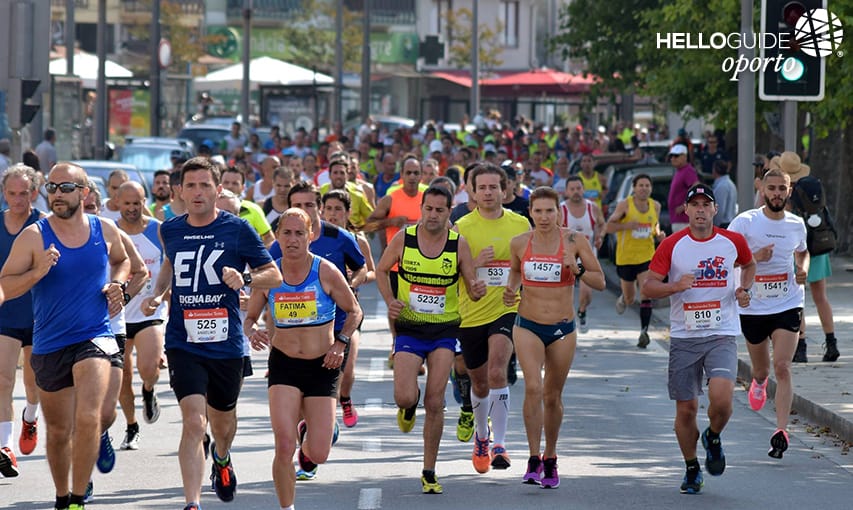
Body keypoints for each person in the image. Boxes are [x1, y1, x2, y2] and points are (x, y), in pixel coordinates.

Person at [140, 157, 282, 510]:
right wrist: (158, 294)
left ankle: (221, 456)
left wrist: (245, 278)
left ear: (219, 190)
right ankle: (192, 503)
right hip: (182, 340)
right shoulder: (169, 229)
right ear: (181, 191)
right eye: (191, 185)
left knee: (222, 424)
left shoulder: (237, 229)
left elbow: (273, 274)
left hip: (226, 343)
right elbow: (170, 264)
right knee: (193, 421)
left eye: (206, 185)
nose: (198, 192)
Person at [0, 163, 131, 510]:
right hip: (49, 343)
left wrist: (117, 283)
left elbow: (123, 261)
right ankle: (62, 497)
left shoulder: (104, 230)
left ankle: (77, 497)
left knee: (88, 416)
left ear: (84, 193)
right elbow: (5, 285)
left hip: (95, 335)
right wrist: (37, 271)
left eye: (66, 187)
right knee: (58, 433)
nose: (57, 194)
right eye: (53, 188)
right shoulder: (34, 236)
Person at [243, 208, 361, 510]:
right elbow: (250, 316)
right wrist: (252, 330)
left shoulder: (325, 271)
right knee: (283, 446)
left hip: (324, 365)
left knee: (319, 454)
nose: (293, 239)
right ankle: (287, 507)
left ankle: (307, 431)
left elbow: (354, 311)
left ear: (310, 236)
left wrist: (340, 343)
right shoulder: (269, 275)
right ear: (278, 236)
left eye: (299, 233)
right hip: (284, 364)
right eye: (287, 233)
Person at [642, 183, 755, 495]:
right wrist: (675, 287)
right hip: (684, 336)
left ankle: (714, 436)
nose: (701, 210)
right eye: (696, 205)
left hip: (722, 333)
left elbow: (749, 264)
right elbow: (648, 287)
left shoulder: (732, 241)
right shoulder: (673, 245)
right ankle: (692, 467)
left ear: (715, 210)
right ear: (686, 210)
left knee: (722, 399)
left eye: (707, 204)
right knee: (686, 410)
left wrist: (744, 289)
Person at [376, 185, 485, 493]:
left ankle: (429, 471)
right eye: (428, 209)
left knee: (435, 401)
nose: (433, 215)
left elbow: (472, 283)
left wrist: (476, 290)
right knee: (405, 396)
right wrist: (390, 301)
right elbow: (382, 270)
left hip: (445, 331)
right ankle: (407, 408)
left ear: (449, 212)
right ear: (421, 209)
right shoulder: (405, 239)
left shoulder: (457, 244)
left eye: (440, 210)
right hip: (410, 328)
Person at [503, 186, 605, 489]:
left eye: (550, 211)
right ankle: (533, 458)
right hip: (528, 324)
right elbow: (514, 273)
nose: (544, 217)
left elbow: (599, 280)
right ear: (530, 213)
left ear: (558, 212)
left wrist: (576, 268)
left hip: (562, 329)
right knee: (532, 387)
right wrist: (511, 291)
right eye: (538, 211)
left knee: (552, 395)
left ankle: (551, 456)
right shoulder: (520, 242)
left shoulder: (574, 240)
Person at [453, 162, 530, 473]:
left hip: (507, 308)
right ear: (472, 191)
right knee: (480, 382)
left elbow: (532, 264)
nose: (487, 192)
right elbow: (450, 270)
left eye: (493, 187)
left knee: (498, 372)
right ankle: (481, 437)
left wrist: (518, 287)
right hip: (470, 313)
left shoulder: (521, 224)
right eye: (481, 187)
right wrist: (472, 264)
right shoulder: (461, 228)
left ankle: (499, 444)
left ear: (505, 189)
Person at [727, 168, 808, 459]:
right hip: (754, 305)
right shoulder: (746, 222)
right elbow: (726, 256)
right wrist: (753, 258)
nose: (776, 193)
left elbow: (803, 251)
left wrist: (803, 270)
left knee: (783, 366)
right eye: (771, 188)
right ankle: (759, 383)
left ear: (789, 191)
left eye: (781, 189)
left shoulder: (797, 224)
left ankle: (781, 431)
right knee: (761, 369)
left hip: (787, 302)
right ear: (763, 189)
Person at [115, 181, 169, 449]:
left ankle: (148, 390)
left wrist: (162, 295)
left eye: (137, 203)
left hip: (150, 310)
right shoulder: (111, 231)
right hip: (119, 314)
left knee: (149, 368)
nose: (132, 208)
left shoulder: (158, 231)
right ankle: (131, 425)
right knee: (123, 374)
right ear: (117, 203)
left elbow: (169, 267)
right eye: (127, 203)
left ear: (144, 201)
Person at [0, 165, 46, 478]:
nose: (18, 199)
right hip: (5, 311)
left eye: (24, 193)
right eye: (11, 193)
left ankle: (30, 417)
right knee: (3, 380)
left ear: (34, 192)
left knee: (33, 383)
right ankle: (4, 447)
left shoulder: (43, 224)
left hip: (39, 314)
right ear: (4, 193)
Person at [321, 190, 376, 428]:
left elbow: (371, 272)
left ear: (347, 212)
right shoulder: (315, 238)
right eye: (329, 209)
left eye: (338, 210)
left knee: (348, 363)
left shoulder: (356, 239)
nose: (333, 214)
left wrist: (353, 280)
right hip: (320, 313)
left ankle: (344, 398)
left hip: (349, 311)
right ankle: (328, 408)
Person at [605, 173, 666, 348]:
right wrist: (626, 226)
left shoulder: (655, 206)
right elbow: (609, 227)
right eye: (641, 185)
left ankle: (644, 332)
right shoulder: (625, 205)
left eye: (647, 185)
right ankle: (624, 297)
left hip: (646, 255)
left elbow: (654, 225)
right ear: (634, 187)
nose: (644, 188)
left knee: (646, 292)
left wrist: (658, 234)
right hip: (626, 257)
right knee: (631, 298)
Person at [560, 176, 605, 333]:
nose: (576, 192)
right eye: (572, 189)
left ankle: (582, 310)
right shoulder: (561, 209)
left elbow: (601, 224)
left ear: (583, 189)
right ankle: (565, 322)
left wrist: (600, 236)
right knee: (565, 291)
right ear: (566, 191)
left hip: (588, 253)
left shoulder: (592, 208)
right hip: (567, 256)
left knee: (587, 293)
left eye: (578, 188)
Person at [667, 144, 700, 232]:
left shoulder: (688, 170)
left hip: (684, 221)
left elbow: (697, 188)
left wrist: (684, 206)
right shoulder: (679, 171)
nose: (673, 158)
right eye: (671, 156)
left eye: (676, 156)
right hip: (678, 220)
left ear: (685, 156)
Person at [711, 160, 737, 228]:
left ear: (715, 170)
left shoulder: (722, 186)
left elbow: (719, 210)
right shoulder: (730, 184)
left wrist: (714, 226)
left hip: (723, 225)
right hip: (730, 222)